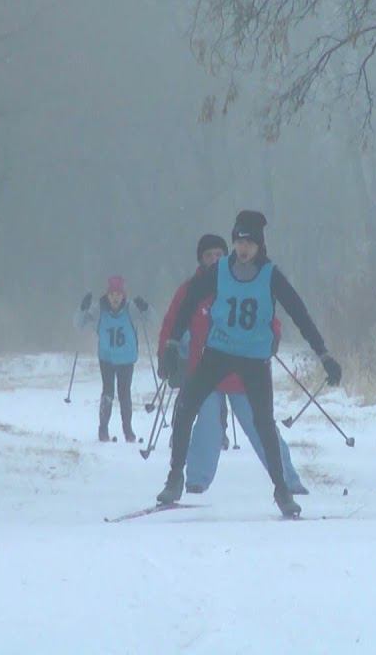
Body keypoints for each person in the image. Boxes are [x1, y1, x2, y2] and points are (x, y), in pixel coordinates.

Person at [157, 211, 341, 517]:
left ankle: (282, 490)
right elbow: (188, 301)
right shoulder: (219, 271)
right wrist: (173, 344)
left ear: (259, 246)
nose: (243, 249)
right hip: (218, 352)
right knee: (186, 406)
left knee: (264, 424)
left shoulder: (270, 275)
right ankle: (175, 477)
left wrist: (324, 355)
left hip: (253, 359)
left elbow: (299, 313)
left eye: (249, 243)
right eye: (239, 242)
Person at [157, 234, 308, 495]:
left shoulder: (243, 281)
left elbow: (266, 313)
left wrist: (273, 335)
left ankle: (287, 480)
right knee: (207, 425)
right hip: (204, 371)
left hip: (243, 372)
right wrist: (166, 354)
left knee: (260, 427)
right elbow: (172, 323)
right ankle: (196, 480)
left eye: (219, 255)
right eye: (208, 256)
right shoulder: (191, 289)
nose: (214, 260)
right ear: (201, 260)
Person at [75, 276, 150, 442]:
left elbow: (151, 319)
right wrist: (83, 308)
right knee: (108, 392)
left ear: (123, 295)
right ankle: (103, 429)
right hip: (107, 358)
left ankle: (128, 430)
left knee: (125, 394)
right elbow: (79, 324)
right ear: (107, 295)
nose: (115, 298)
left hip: (126, 359)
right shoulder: (99, 309)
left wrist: (145, 308)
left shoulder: (131, 308)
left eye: (118, 294)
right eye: (112, 294)